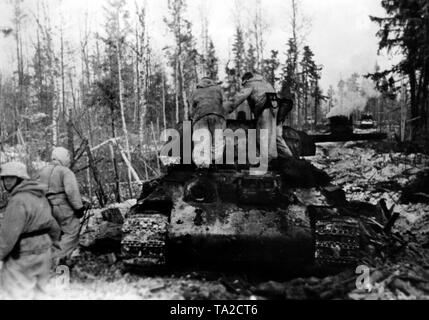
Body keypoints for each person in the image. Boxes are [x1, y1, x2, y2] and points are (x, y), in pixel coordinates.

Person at [0, 162, 60, 299]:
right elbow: (53, 224)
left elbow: (8, 237)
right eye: (5, 178)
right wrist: (55, 246)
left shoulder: (18, 200)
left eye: (11, 178)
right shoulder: (38, 195)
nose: (7, 182)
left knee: (13, 293)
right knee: (39, 294)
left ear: (20, 178)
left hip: (23, 255)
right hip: (44, 252)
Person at [225, 72, 292, 162]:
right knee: (276, 136)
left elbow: (238, 98)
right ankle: (290, 158)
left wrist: (225, 109)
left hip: (266, 110)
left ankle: (267, 161)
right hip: (277, 110)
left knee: (262, 136)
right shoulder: (265, 83)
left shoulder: (250, 83)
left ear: (245, 79)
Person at [37, 147, 85, 264]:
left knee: (54, 235)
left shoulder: (43, 171)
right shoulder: (65, 171)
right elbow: (71, 191)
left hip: (46, 206)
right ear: (63, 158)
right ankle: (57, 260)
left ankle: (49, 261)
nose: (69, 160)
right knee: (71, 233)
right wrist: (79, 208)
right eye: (68, 157)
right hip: (63, 207)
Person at [189, 77, 227, 167]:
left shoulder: (195, 92)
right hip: (218, 116)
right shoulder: (218, 89)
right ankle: (215, 164)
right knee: (218, 142)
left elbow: (191, 110)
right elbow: (225, 103)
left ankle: (203, 168)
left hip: (201, 117)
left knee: (202, 141)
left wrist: (192, 117)